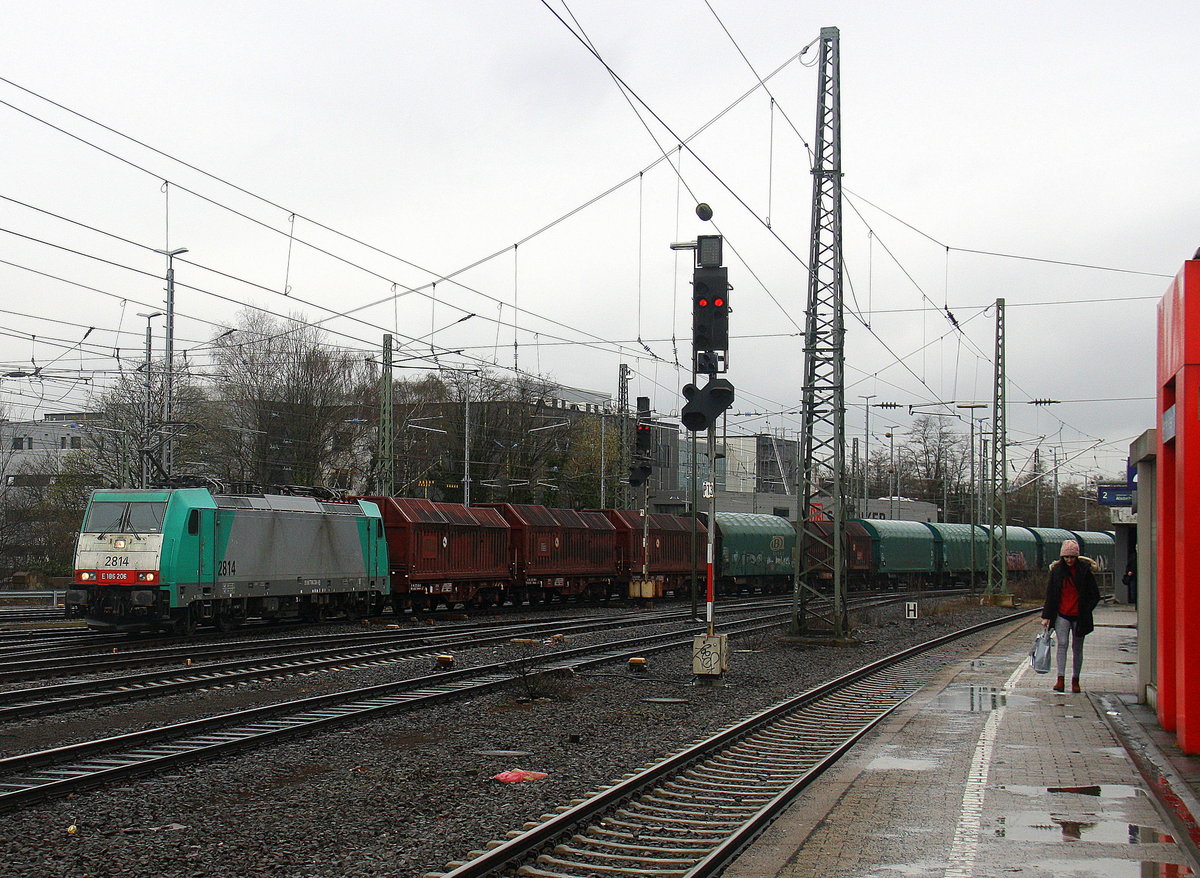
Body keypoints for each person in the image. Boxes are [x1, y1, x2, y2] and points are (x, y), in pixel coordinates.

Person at [1041, 539, 1101, 692]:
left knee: (1077, 647)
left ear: (1077, 557)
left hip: (1080, 615)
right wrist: (1046, 616)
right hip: (1062, 614)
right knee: (1062, 644)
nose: (1069, 560)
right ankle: (1060, 679)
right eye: (1066, 557)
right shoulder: (1057, 571)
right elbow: (1051, 594)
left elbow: (1095, 594)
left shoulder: (1085, 572)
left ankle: (1075, 680)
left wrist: (1086, 609)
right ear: (1062, 557)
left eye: (1072, 557)